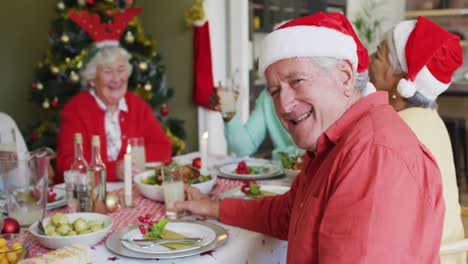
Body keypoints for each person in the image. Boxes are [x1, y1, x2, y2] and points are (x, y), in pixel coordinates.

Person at [169, 12, 445, 263]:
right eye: (275, 91)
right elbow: (290, 214)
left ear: (345, 77)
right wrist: (211, 207)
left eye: (297, 81)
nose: (284, 105)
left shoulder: (373, 154)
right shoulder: (335, 141)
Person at [369, 17, 464, 264]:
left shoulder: (396, 130)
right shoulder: (431, 119)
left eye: (379, 56)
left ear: (400, 78)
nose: (370, 59)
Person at [56, 8, 171, 183]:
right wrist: (113, 170)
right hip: (90, 196)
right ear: (93, 79)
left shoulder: (136, 105)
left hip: (131, 191)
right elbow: (68, 164)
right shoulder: (76, 110)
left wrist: (130, 165)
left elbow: (163, 146)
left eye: (121, 70)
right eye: (108, 71)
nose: (116, 79)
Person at [209, 86, 300, 159]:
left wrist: (273, 156)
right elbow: (244, 148)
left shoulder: (308, 91)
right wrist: (229, 113)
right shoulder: (266, 97)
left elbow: (306, 153)